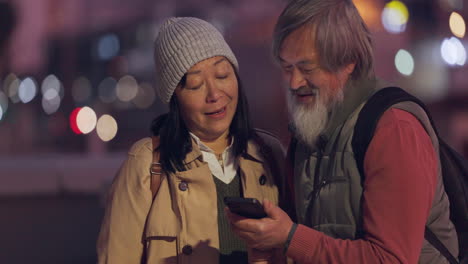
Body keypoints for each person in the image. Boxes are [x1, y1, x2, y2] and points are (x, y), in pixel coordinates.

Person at [226, 0, 459, 263]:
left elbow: (390, 259)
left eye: (307, 68)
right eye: (287, 67)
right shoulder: (310, 130)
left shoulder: (393, 129)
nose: (294, 82)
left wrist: (290, 238)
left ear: (348, 61)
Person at [97, 17, 285, 264]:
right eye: (195, 85)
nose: (215, 94)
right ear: (174, 98)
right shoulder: (147, 163)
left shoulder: (268, 154)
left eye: (222, 74)